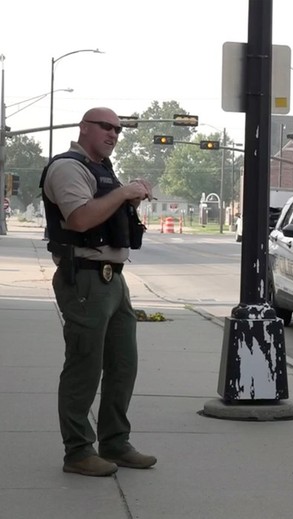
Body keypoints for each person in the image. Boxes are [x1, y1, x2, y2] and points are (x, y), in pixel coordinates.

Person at [41, 107, 157, 477]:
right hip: (85, 279)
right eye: (106, 127)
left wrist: (129, 200)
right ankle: (78, 451)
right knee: (84, 365)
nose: (113, 134)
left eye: (118, 130)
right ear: (84, 128)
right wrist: (122, 192)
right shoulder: (68, 167)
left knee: (123, 364)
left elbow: (104, 213)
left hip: (113, 279)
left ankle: (115, 443)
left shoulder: (101, 169)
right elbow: (80, 219)